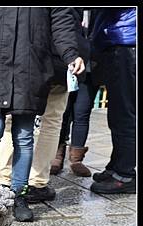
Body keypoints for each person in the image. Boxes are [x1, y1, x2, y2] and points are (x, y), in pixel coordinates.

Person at [0, 7, 85, 221]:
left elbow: (61, 20)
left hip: (28, 69)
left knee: (24, 137)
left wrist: (70, 54)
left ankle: (19, 194)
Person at [0, 8, 90, 205]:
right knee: (52, 122)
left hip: (29, 58)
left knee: (13, 118)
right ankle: (37, 182)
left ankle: (4, 179)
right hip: (63, 59)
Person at [88, 8, 136, 194]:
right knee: (117, 112)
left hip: (126, 41)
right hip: (118, 41)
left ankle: (125, 175)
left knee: (125, 113)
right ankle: (116, 166)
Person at [53, 9, 97, 177]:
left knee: (82, 112)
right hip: (66, 65)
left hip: (91, 67)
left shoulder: (97, 14)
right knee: (62, 113)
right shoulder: (67, 11)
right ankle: (57, 154)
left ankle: (76, 159)